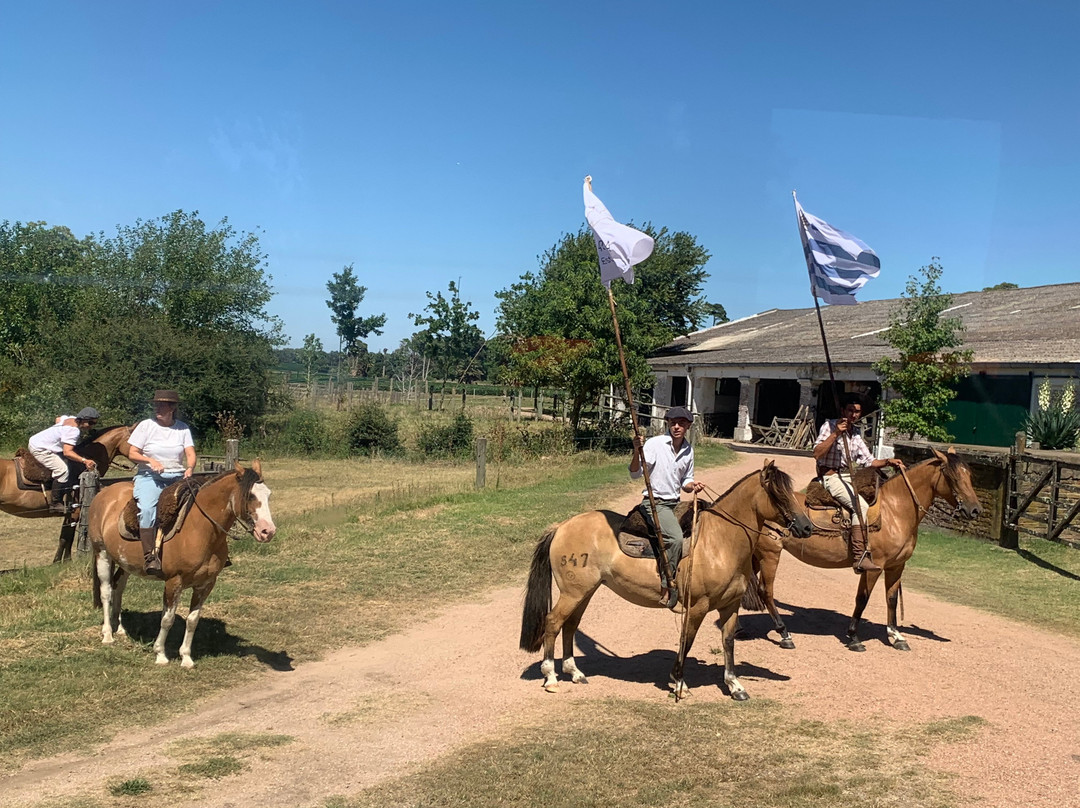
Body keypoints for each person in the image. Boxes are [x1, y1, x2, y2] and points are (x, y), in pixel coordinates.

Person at [813, 395, 905, 573]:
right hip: (830, 476)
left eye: (857, 412)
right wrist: (836, 434)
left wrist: (888, 461)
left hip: (847, 476)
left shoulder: (855, 433)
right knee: (860, 506)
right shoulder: (829, 425)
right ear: (843, 411)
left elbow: (869, 461)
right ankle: (859, 556)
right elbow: (817, 454)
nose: (854, 415)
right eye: (850, 410)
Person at [629, 406, 706, 609]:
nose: (676, 426)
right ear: (668, 424)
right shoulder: (655, 444)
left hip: (675, 502)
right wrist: (637, 451)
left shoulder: (688, 450)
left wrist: (693, 486)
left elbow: (685, 481)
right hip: (655, 503)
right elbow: (635, 473)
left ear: (688, 426)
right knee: (675, 538)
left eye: (681, 423)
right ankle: (668, 586)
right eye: (673, 423)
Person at [126, 390, 197, 577]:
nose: (157, 408)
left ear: (172, 408)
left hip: (177, 476)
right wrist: (150, 461)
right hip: (150, 477)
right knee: (148, 509)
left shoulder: (182, 428)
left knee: (201, 503)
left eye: (162, 405)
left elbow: (190, 453)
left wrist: (189, 468)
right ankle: (150, 556)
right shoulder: (146, 426)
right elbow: (132, 453)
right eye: (156, 405)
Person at [27, 407, 101, 513]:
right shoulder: (73, 431)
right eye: (91, 423)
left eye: (94, 423)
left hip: (35, 440)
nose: (92, 426)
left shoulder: (70, 418)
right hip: (40, 449)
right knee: (62, 471)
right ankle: (55, 503)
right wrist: (85, 460)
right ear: (83, 420)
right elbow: (67, 452)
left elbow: (58, 419)